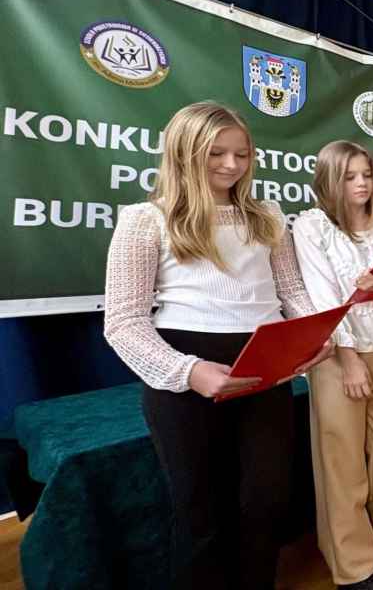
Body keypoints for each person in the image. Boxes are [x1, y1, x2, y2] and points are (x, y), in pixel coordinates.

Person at [103, 101, 331, 589]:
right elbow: (123, 322)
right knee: (200, 511)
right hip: (184, 369)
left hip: (264, 366)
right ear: (184, 153)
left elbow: (290, 291)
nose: (231, 166)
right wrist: (188, 372)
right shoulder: (145, 219)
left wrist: (315, 333)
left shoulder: (267, 215)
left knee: (265, 502)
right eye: (217, 154)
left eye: (242, 155)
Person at [292, 141, 373, 589]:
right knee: (343, 467)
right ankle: (354, 566)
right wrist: (347, 359)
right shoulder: (313, 226)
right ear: (329, 179)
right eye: (349, 176)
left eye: (367, 174)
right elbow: (321, 300)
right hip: (337, 358)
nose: (362, 183)